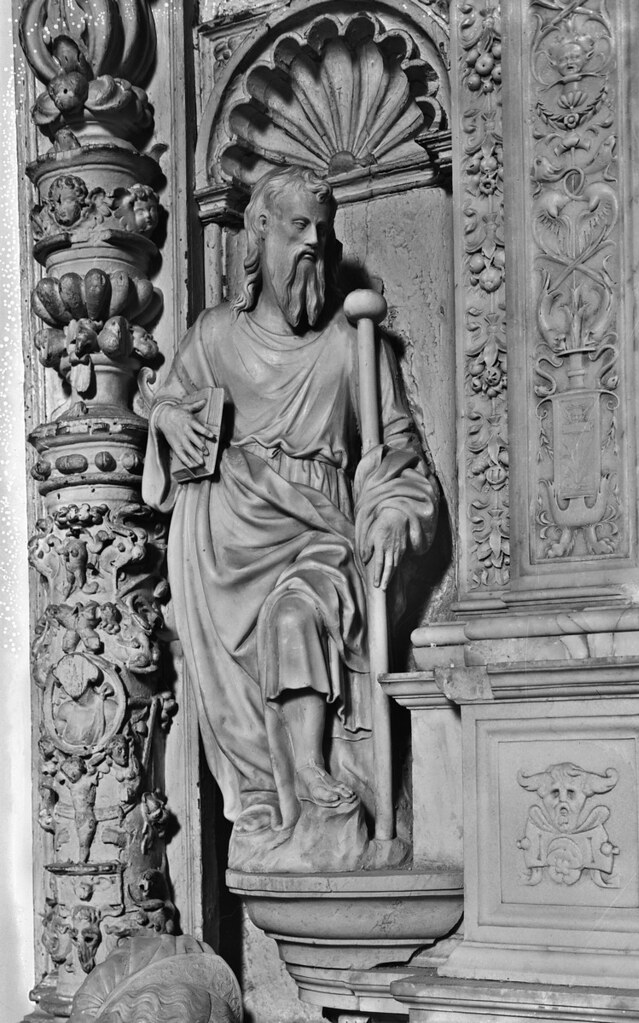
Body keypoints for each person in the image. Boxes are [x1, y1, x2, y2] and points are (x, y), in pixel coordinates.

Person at [143, 166, 437, 870]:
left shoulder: (350, 349)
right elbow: (165, 407)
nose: (313, 243)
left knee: (294, 617)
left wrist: (393, 512)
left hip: (319, 538)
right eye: (299, 227)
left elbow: (397, 452)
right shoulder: (214, 338)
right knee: (236, 705)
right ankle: (271, 802)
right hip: (223, 556)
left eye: (323, 232)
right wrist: (169, 421)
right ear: (260, 234)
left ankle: (313, 774)